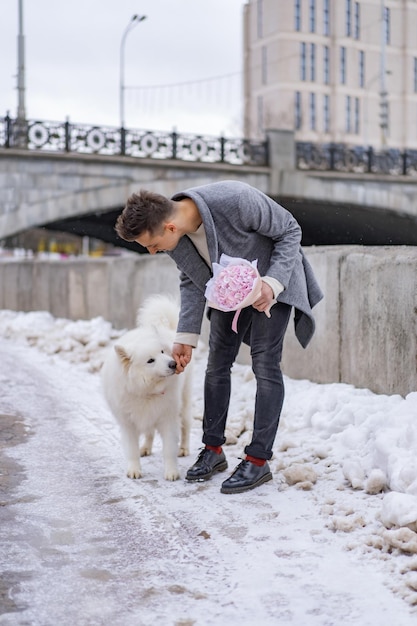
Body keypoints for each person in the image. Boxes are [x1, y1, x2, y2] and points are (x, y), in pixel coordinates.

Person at [115, 180, 323, 494]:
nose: (153, 251)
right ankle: (213, 451)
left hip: (272, 284)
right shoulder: (179, 237)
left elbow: (290, 230)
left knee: (265, 365)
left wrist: (272, 283)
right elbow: (191, 280)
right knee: (216, 365)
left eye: (152, 244)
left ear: (169, 227)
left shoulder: (236, 199)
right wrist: (185, 336)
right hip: (227, 293)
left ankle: (258, 459)